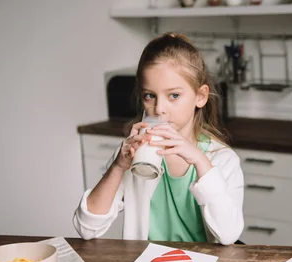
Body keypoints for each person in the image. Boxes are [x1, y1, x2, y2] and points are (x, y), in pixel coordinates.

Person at [73, 33, 244, 245]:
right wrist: (118, 167)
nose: (159, 108)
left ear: (200, 96)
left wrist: (201, 162)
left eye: (173, 95)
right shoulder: (134, 154)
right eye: (149, 95)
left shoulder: (222, 160)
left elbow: (228, 235)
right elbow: (87, 228)